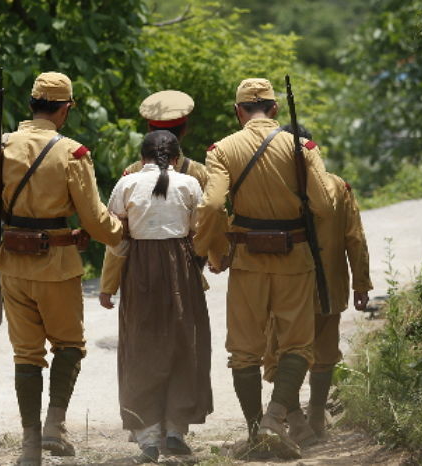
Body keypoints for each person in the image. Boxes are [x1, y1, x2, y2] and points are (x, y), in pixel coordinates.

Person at [0, 72, 123, 466]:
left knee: (26, 354)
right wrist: (122, 232)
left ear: (32, 103)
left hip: (12, 263)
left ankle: (30, 445)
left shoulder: (1, 144)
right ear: (65, 108)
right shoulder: (72, 152)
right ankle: (55, 426)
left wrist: (1, 215)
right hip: (56, 264)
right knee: (69, 345)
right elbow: (94, 220)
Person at [193, 78, 334, 459]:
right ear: (274, 109)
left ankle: (258, 432)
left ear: (239, 112)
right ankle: (275, 419)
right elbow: (324, 204)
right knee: (298, 346)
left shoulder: (222, 149)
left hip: (248, 260)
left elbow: (211, 206)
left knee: (244, 351)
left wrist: (207, 251)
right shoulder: (301, 147)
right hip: (295, 257)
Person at [261, 126, 372, 445]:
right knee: (324, 353)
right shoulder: (337, 186)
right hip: (328, 289)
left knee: (283, 353)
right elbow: (355, 239)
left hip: (283, 291)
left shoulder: (270, 188)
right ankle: (314, 417)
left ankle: (297, 423)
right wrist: (360, 284)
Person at [107, 130, 212, 462]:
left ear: (142, 159)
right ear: (177, 158)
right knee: (184, 342)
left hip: (140, 268)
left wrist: (115, 277)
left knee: (142, 345)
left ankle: (147, 436)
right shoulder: (190, 184)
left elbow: (115, 237)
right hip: (181, 268)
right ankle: (175, 430)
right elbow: (201, 229)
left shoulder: (126, 185)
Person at [99, 90, 208, 309]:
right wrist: (214, 260)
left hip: (140, 269)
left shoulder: (130, 176)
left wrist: (108, 285)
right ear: (185, 130)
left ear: (149, 131)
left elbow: (118, 235)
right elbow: (208, 222)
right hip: (186, 270)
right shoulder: (199, 174)